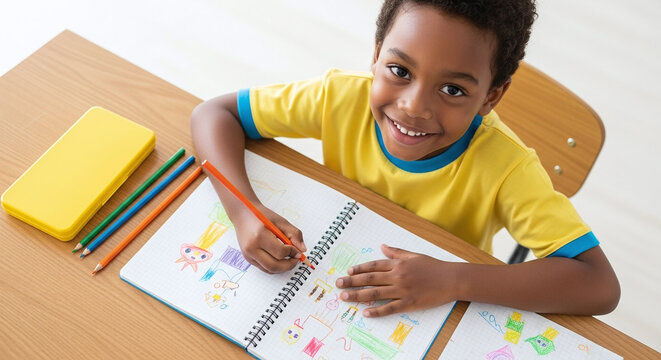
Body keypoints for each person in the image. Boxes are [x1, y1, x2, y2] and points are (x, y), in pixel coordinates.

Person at [190, 0, 620, 318]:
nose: (414, 107)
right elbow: (214, 113)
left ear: (491, 96)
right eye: (400, 71)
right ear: (377, 53)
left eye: (452, 90)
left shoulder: (507, 168)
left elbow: (599, 283)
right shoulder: (340, 98)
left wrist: (456, 279)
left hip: (437, 303)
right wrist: (245, 211)